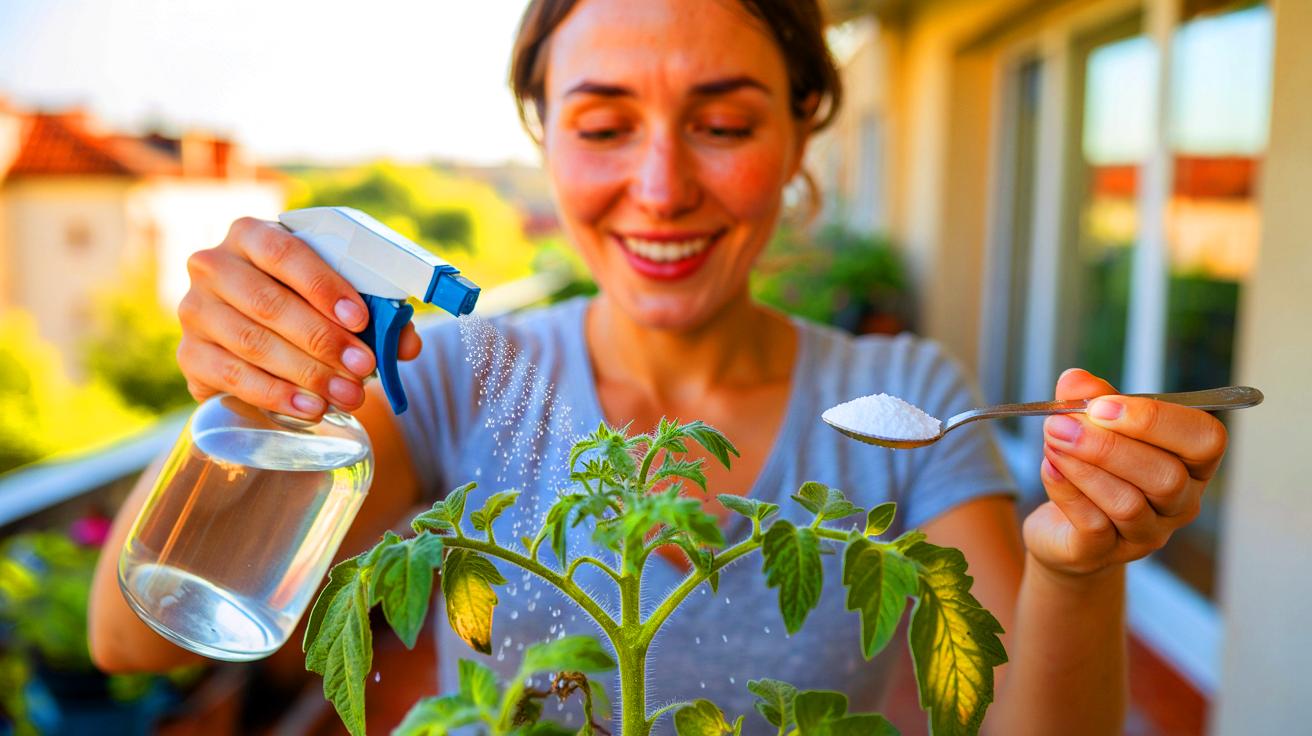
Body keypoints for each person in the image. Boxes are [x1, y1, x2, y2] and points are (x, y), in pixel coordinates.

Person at [89, 0, 1229, 733]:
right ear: (542, 137)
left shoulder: (913, 400)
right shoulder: (442, 379)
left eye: (724, 124)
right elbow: (132, 638)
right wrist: (248, 397)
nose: (661, 187)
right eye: (602, 124)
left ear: (797, 140)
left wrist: (1078, 569)